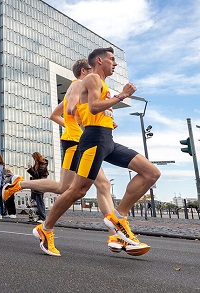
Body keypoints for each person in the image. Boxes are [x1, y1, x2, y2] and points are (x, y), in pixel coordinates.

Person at [30, 47, 159, 257]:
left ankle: (118, 217)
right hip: (94, 141)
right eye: (112, 59)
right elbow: (93, 107)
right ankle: (45, 229)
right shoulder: (90, 78)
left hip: (107, 139)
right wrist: (122, 96)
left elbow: (83, 112)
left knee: (151, 173)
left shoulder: (102, 84)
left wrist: (107, 118)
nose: (115, 63)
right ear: (99, 61)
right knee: (76, 191)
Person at [5, 59, 132, 255]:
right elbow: (73, 109)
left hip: (76, 140)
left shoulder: (76, 87)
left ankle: (20, 184)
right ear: (84, 71)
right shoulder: (80, 84)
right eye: (92, 70)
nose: (96, 74)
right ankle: (115, 234)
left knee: (67, 188)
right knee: (101, 185)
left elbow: (56, 114)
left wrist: (76, 125)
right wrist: (84, 124)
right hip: (79, 142)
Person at [26, 152, 48, 223]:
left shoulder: (43, 165)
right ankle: (36, 216)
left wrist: (30, 168)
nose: (34, 159)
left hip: (39, 186)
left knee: (39, 202)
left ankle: (43, 217)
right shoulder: (38, 164)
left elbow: (37, 175)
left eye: (34, 158)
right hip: (35, 185)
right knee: (34, 202)